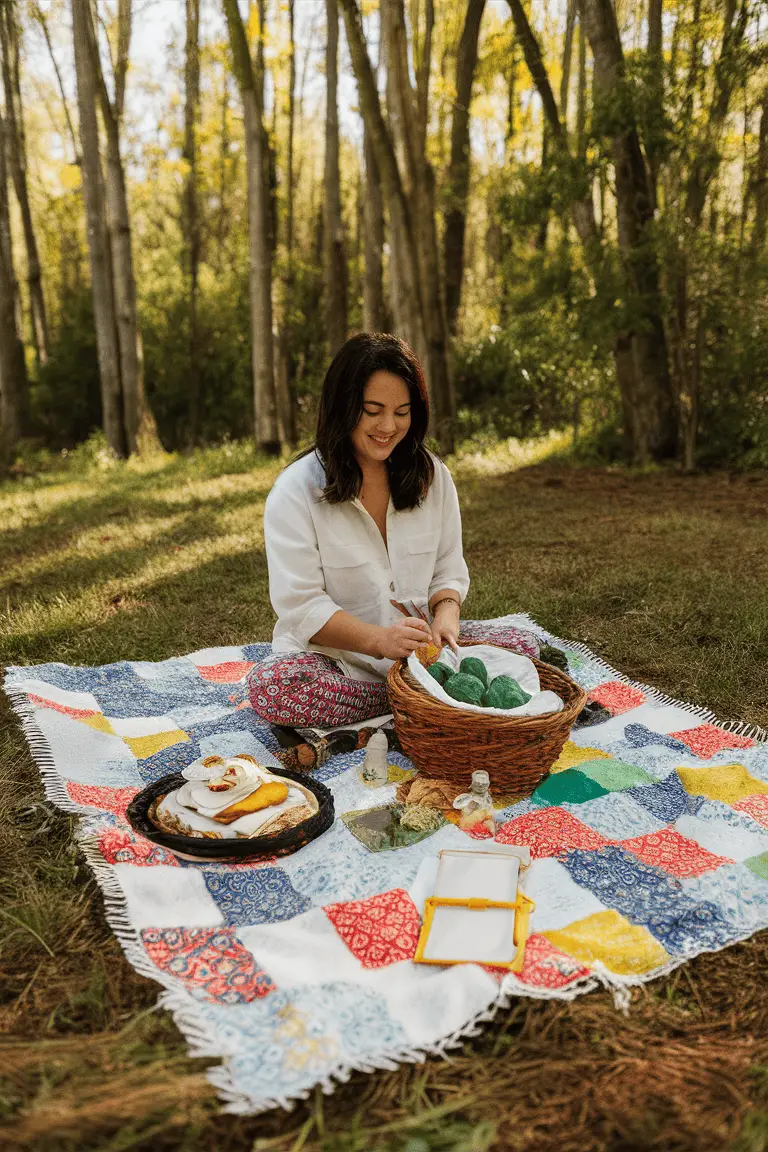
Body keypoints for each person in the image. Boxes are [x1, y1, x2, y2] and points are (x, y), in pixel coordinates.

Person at [248, 333, 539, 741]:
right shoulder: (295, 491)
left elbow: (447, 570)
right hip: (338, 665)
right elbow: (301, 608)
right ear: (343, 407)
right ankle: (410, 699)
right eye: (373, 411)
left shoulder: (432, 477)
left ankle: (423, 692)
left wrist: (447, 617)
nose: (389, 427)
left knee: (525, 646)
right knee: (274, 686)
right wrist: (380, 641)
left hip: (425, 654)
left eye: (402, 412)